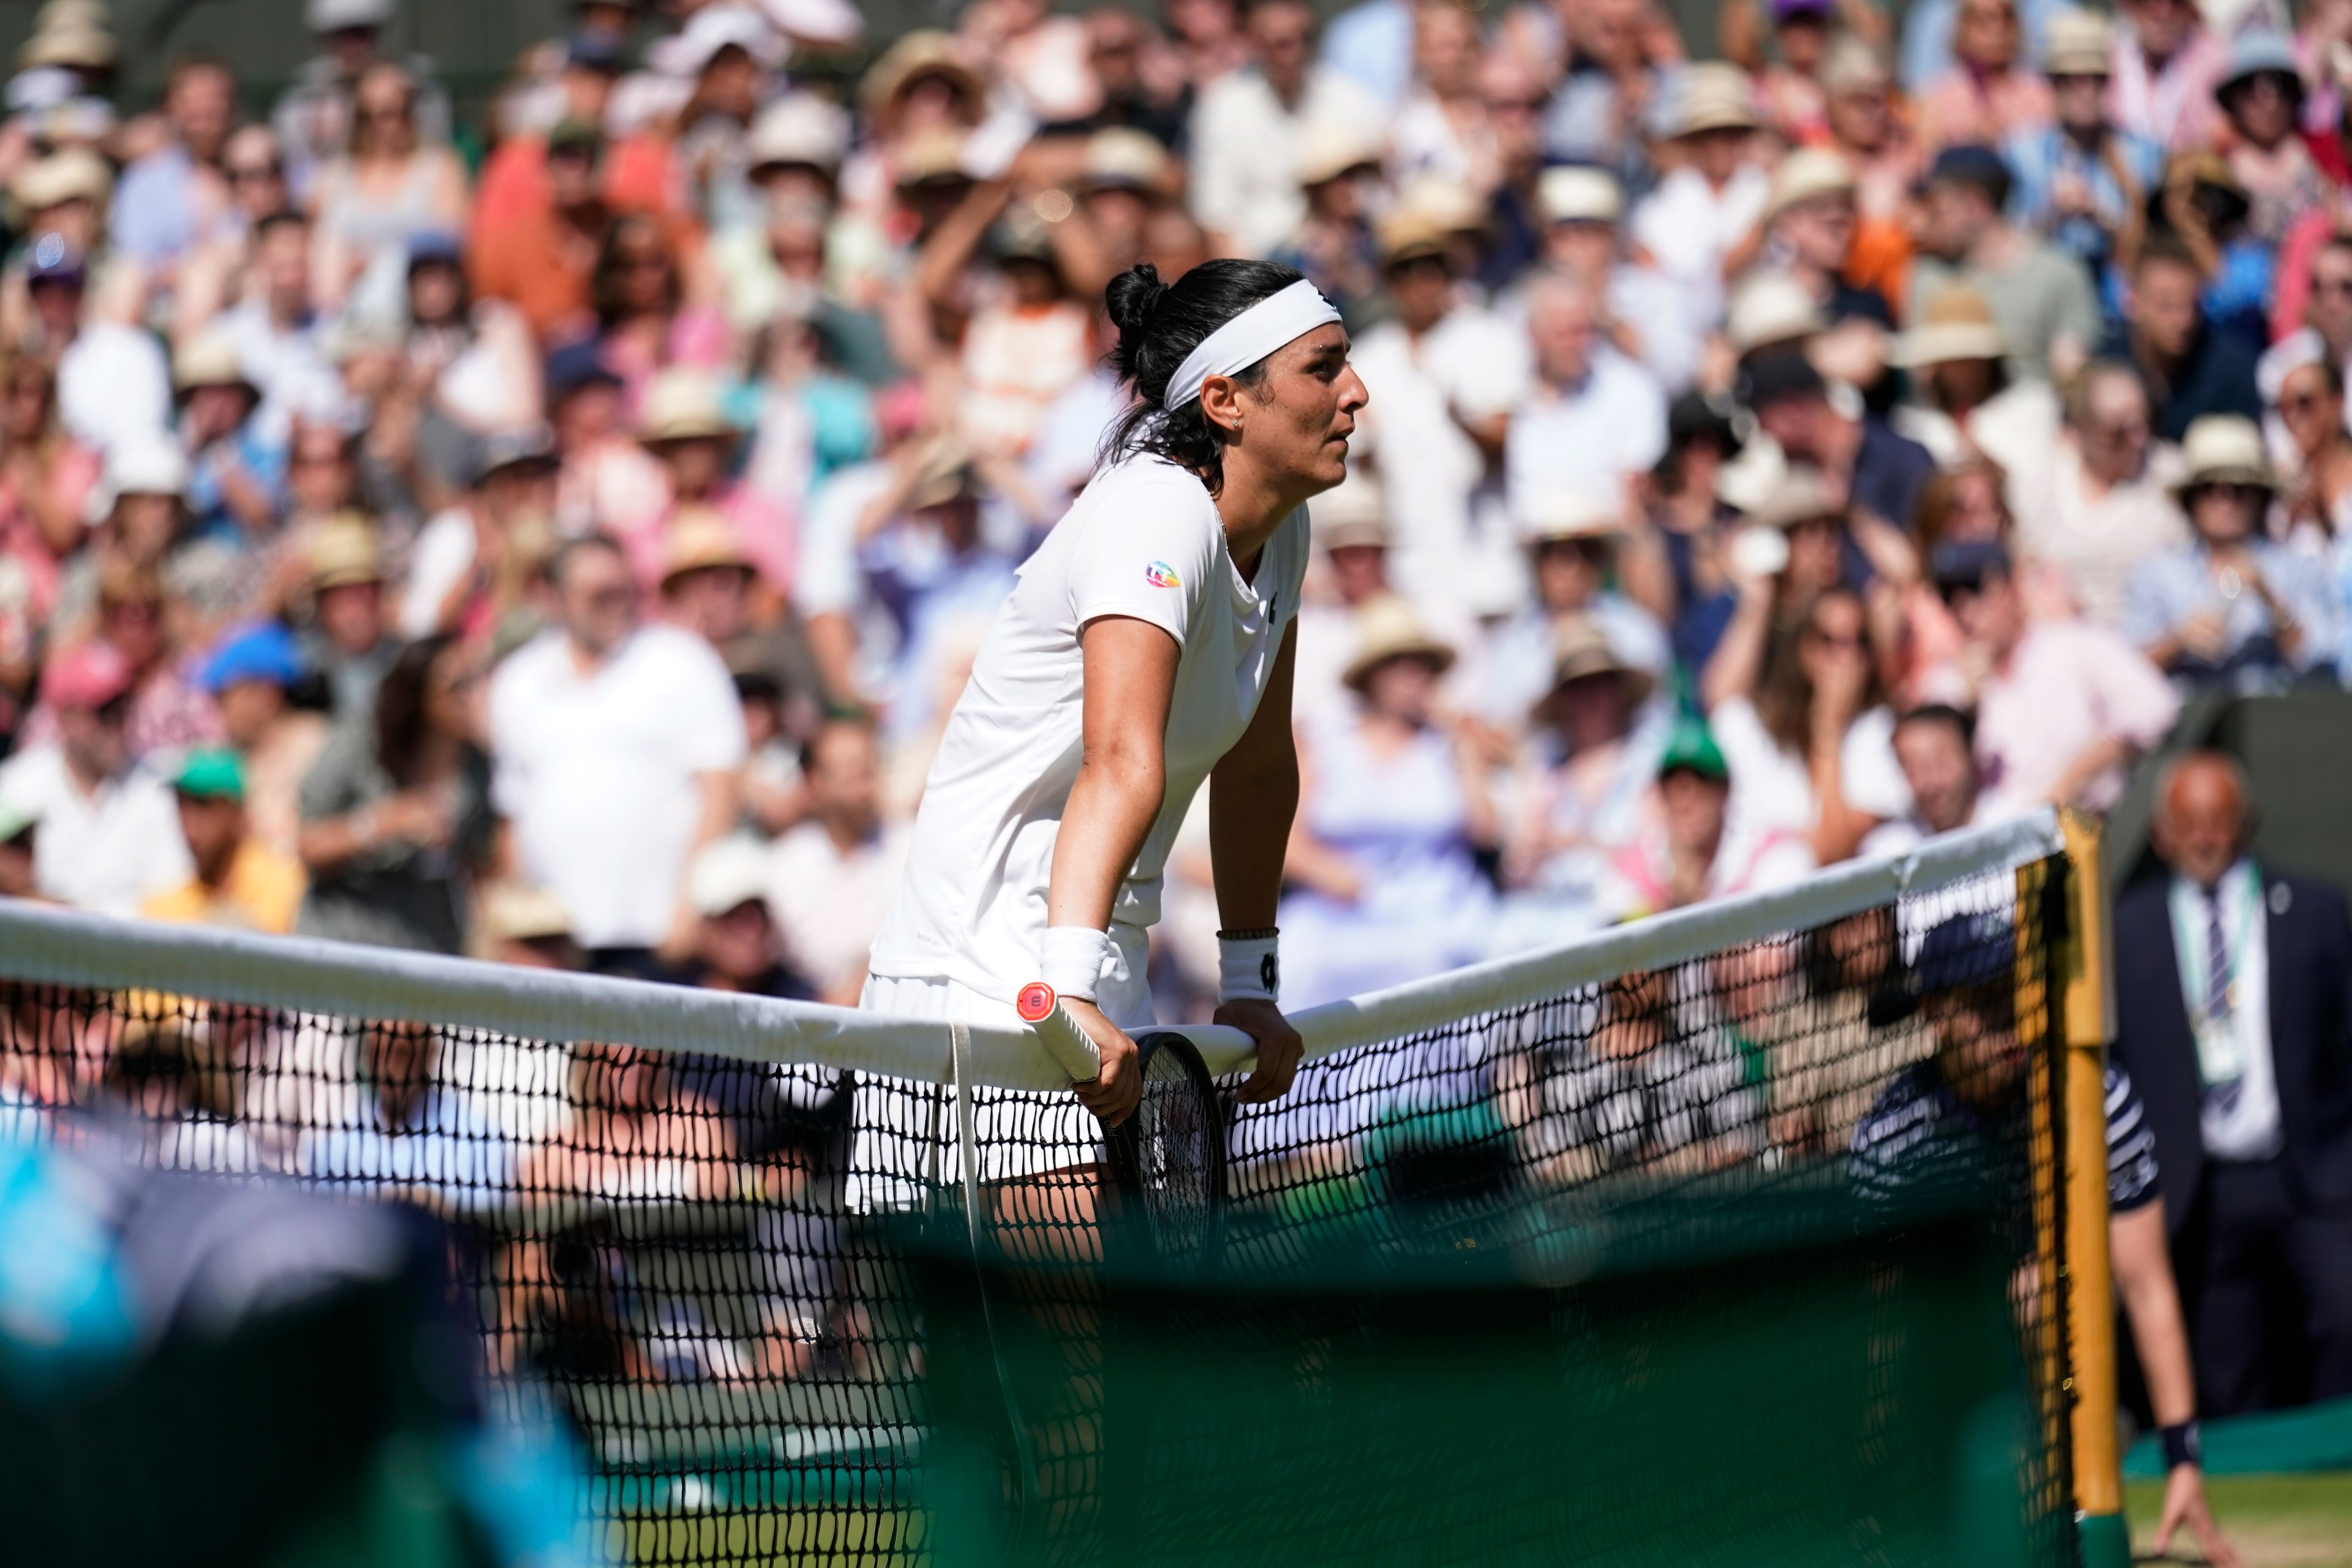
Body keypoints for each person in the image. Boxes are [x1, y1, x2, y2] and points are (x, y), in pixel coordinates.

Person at [865, 257, 1351, 1142]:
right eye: (1323, 368)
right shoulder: (1155, 512)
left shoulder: (1285, 529)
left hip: (1085, 953)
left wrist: (1250, 988)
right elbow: (1122, 759)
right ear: (1225, 401)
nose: (1356, 392)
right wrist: (1066, 992)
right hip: (990, 966)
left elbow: (1256, 767)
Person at [1852, 911, 2239, 1565]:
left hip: (2060, 1312)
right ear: (1936, 1013)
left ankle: (2067, 1492)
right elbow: (1878, 1326)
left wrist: (2183, 1458)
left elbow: (2146, 1284)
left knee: (2031, 1294)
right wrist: (1873, 1486)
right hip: (1942, 1337)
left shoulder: (2096, 1097)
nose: (2011, 1016)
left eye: (2018, 992)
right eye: (1984, 1002)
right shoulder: (1890, 1137)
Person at [2113, 752, 2352, 1419]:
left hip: (2310, 1176)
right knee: (2228, 1361)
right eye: (2187, 821)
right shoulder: (2125, 930)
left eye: (2218, 819)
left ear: (2245, 822)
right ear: (2160, 832)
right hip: (2198, 1185)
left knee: (2344, 1317)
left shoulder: (2314, 909)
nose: (2204, 835)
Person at [489, 535, 746, 977]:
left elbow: (721, 791)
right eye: (597, 594)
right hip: (557, 942)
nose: (615, 604)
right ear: (556, 599)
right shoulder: (518, 681)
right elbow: (512, 813)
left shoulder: (683, 661)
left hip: (656, 935)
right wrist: (520, 924)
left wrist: (690, 903)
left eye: (624, 590)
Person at [1281, 597, 1496, 1009]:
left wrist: (1465, 751)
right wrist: (1328, 873)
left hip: (1434, 909)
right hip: (1334, 913)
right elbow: (1289, 840)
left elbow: (1485, 833)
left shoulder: (1449, 746)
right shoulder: (1325, 742)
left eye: (1423, 665)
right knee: (1295, 960)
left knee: (1434, 961)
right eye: (1399, 664)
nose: (1414, 676)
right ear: (1372, 676)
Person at [1932, 538, 2177, 813]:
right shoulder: (1948, 688)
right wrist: (1969, 713)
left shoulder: (2074, 644)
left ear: (2013, 589)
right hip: (1996, 840)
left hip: (2084, 825)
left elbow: (2154, 707)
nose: (1965, 611)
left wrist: (2068, 784)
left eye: (1976, 589)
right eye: (1949, 597)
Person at [297, 633, 494, 955]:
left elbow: (483, 864)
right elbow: (306, 845)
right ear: (421, 696)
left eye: (479, 679)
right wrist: (381, 825)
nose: (475, 695)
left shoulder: (478, 768)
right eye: (457, 686)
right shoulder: (361, 742)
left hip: (426, 953)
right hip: (341, 947)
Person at [2124, 415, 2335, 688]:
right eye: (2209, 489)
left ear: (2260, 496)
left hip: (2273, 723)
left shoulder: (2297, 568)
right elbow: (2125, 670)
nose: (2225, 501)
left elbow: (2322, 662)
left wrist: (2271, 600)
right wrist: (2179, 640)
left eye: (2238, 489)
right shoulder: (2155, 574)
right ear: (2191, 499)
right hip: (2187, 725)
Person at [0, 643, 190, 915]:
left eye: (124, 709)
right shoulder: (18, 786)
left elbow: (173, 894)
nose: (118, 725)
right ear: (67, 717)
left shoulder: (156, 788)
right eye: (105, 712)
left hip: (133, 950)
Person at [1188, 0, 1380, 260]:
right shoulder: (1222, 107)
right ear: (1255, 43)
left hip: (1341, 256)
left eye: (1303, 39)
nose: (1293, 52)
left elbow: (1372, 194)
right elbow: (1216, 216)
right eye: (1280, 43)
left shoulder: (1349, 99)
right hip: (1259, 261)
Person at [1908, 144, 2101, 386]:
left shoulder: (2059, 274)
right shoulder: (1928, 276)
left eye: (1937, 208)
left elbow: (2074, 378)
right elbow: (1920, 379)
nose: (1927, 220)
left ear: (1974, 206)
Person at [2015, 359, 2189, 627]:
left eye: (2143, 423)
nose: (2138, 439)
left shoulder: (2172, 476)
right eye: (2118, 432)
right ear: (2082, 429)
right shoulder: (2039, 486)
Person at [2003, 10, 2164, 287]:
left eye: (2095, 78)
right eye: (2071, 79)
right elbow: (2006, 246)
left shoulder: (2142, 152)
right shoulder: (2021, 153)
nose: (2086, 90)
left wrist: (2101, 216)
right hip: (2046, 290)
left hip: (2119, 293)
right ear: (2053, 85)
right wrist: (2052, 215)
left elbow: (2156, 244)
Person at [1602, 716, 1817, 919]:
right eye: (1674, 789)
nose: (1686, 802)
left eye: (1701, 785)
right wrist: (1675, 905)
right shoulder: (1635, 868)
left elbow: (1774, 954)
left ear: (1726, 790)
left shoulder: (1772, 854)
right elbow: (1618, 938)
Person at [302, 1019, 513, 1214]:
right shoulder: (334, 1142)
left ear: (428, 1054)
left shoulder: (478, 1135)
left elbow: (488, 1224)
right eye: (378, 1052)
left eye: (402, 1053)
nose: (389, 1067)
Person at [766, 719, 908, 1008]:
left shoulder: (911, 845)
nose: (863, 776)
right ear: (816, 781)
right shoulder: (783, 863)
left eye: (867, 765)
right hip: (805, 1010)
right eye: (848, 767)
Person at [2112, 237, 2262, 444]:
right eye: (2167, 305)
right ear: (2132, 303)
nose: (2183, 320)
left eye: (2192, 305)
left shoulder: (2233, 369)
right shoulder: (2108, 366)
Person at [141, 748, 307, 935]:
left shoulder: (282, 879)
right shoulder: (162, 906)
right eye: (181, 804)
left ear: (235, 811)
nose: (189, 825)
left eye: (203, 804)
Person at [1860, 703, 1992, 856]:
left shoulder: (2014, 825)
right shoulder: (1888, 852)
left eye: (1941, 762)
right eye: (1914, 769)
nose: (1931, 783)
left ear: (1971, 756)